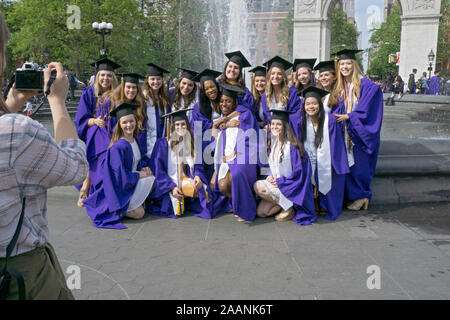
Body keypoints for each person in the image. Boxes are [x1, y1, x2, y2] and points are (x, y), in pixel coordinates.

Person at [1, 10, 88, 301]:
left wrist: (9, 104)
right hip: (20, 274)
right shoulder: (17, 131)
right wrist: (58, 101)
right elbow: (75, 168)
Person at [83, 103, 155, 229]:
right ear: (119, 125)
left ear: (136, 121)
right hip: (118, 188)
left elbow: (137, 161)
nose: (129, 125)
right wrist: (139, 174)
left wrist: (143, 168)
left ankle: (131, 204)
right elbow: (118, 177)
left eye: (131, 121)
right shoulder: (118, 147)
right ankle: (115, 209)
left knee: (152, 179)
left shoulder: (134, 140)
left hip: (129, 182)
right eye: (124, 122)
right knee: (140, 213)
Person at [330, 49, 384, 211]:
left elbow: (369, 110)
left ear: (354, 65)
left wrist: (350, 117)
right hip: (344, 133)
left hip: (359, 134)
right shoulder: (340, 87)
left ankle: (363, 196)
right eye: (342, 64)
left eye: (348, 63)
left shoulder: (367, 86)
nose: (345, 67)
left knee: (360, 166)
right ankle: (356, 196)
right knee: (349, 167)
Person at [254, 109, 316, 224]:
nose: (274, 127)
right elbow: (273, 166)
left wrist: (281, 182)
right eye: (272, 124)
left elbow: (299, 174)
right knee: (262, 212)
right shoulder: (273, 143)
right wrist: (270, 176)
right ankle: (287, 205)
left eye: (278, 124)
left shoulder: (293, 147)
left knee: (258, 185)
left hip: (290, 186)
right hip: (278, 184)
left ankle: (288, 207)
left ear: (285, 126)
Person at [74, 57, 120, 207]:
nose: (105, 78)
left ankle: (87, 187)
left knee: (106, 144)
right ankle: (87, 187)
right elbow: (81, 119)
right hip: (92, 132)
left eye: (108, 75)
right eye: (102, 75)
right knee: (97, 133)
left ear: (112, 78)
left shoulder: (117, 95)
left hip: (111, 132)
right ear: (97, 76)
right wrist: (95, 121)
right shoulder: (88, 93)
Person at [211, 83, 259, 222]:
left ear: (235, 102)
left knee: (236, 176)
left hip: (243, 156)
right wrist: (222, 125)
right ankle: (240, 202)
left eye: (228, 101)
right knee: (218, 185)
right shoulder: (222, 117)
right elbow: (215, 138)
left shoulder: (244, 115)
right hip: (225, 157)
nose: (224, 104)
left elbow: (249, 138)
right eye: (221, 101)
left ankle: (246, 206)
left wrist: (235, 155)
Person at [300, 87, 350, 220]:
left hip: (327, 157)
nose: (311, 106)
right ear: (304, 106)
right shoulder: (301, 121)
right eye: (308, 103)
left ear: (320, 105)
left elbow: (336, 144)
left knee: (328, 172)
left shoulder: (330, 121)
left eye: (314, 103)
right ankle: (314, 203)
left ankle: (327, 204)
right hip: (310, 157)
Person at [190, 69, 232, 216]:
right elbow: (198, 130)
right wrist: (215, 125)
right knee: (211, 182)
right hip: (208, 147)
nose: (210, 90)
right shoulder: (199, 106)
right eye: (206, 88)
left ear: (217, 85)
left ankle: (229, 202)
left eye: (212, 87)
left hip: (227, 146)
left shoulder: (224, 100)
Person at [260, 56, 302, 137]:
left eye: (279, 74)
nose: (275, 76)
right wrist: (267, 125)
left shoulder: (292, 93)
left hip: (289, 133)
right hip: (272, 134)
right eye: (273, 73)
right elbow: (266, 118)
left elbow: (296, 114)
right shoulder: (265, 96)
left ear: (283, 77)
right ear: (269, 76)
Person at [142, 63, 171, 159]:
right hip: (147, 140)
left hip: (162, 138)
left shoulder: (165, 97)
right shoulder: (143, 98)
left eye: (158, 79)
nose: (156, 82)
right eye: (152, 79)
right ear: (148, 80)